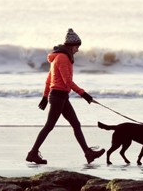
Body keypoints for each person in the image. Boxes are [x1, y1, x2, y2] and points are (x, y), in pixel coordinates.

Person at [26, 28, 105, 165]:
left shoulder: (61, 57)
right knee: (49, 126)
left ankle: (88, 153)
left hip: (61, 97)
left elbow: (48, 79)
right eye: (77, 47)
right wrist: (84, 94)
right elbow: (67, 81)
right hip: (58, 97)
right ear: (71, 46)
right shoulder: (62, 58)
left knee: (76, 124)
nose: (78, 50)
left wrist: (45, 97)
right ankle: (33, 153)